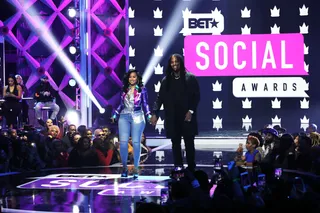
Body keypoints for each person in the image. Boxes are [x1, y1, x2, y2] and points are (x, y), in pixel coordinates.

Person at [151, 53, 200, 172]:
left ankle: (191, 168)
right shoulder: (166, 80)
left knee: (189, 143)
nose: (174, 64)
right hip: (172, 117)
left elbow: (196, 96)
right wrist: (155, 113)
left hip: (186, 116)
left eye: (176, 62)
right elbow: (160, 98)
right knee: (175, 143)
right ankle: (178, 167)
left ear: (181, 63)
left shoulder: (190, 78)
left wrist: (191, 111)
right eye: (172, 62)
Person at [111, 69, 151, 178]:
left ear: (137, 78)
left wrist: (148, 115)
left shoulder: (142, 90)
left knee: (136, 142)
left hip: (138, 116)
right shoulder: (124, 90)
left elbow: (145, 103)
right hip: (124, 116)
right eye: (130, 77)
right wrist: (115, 114)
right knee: (123, 143)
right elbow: (120, 104)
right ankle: (124, 167)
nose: (132, 79)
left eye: (134, 77)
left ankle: (136, 168)